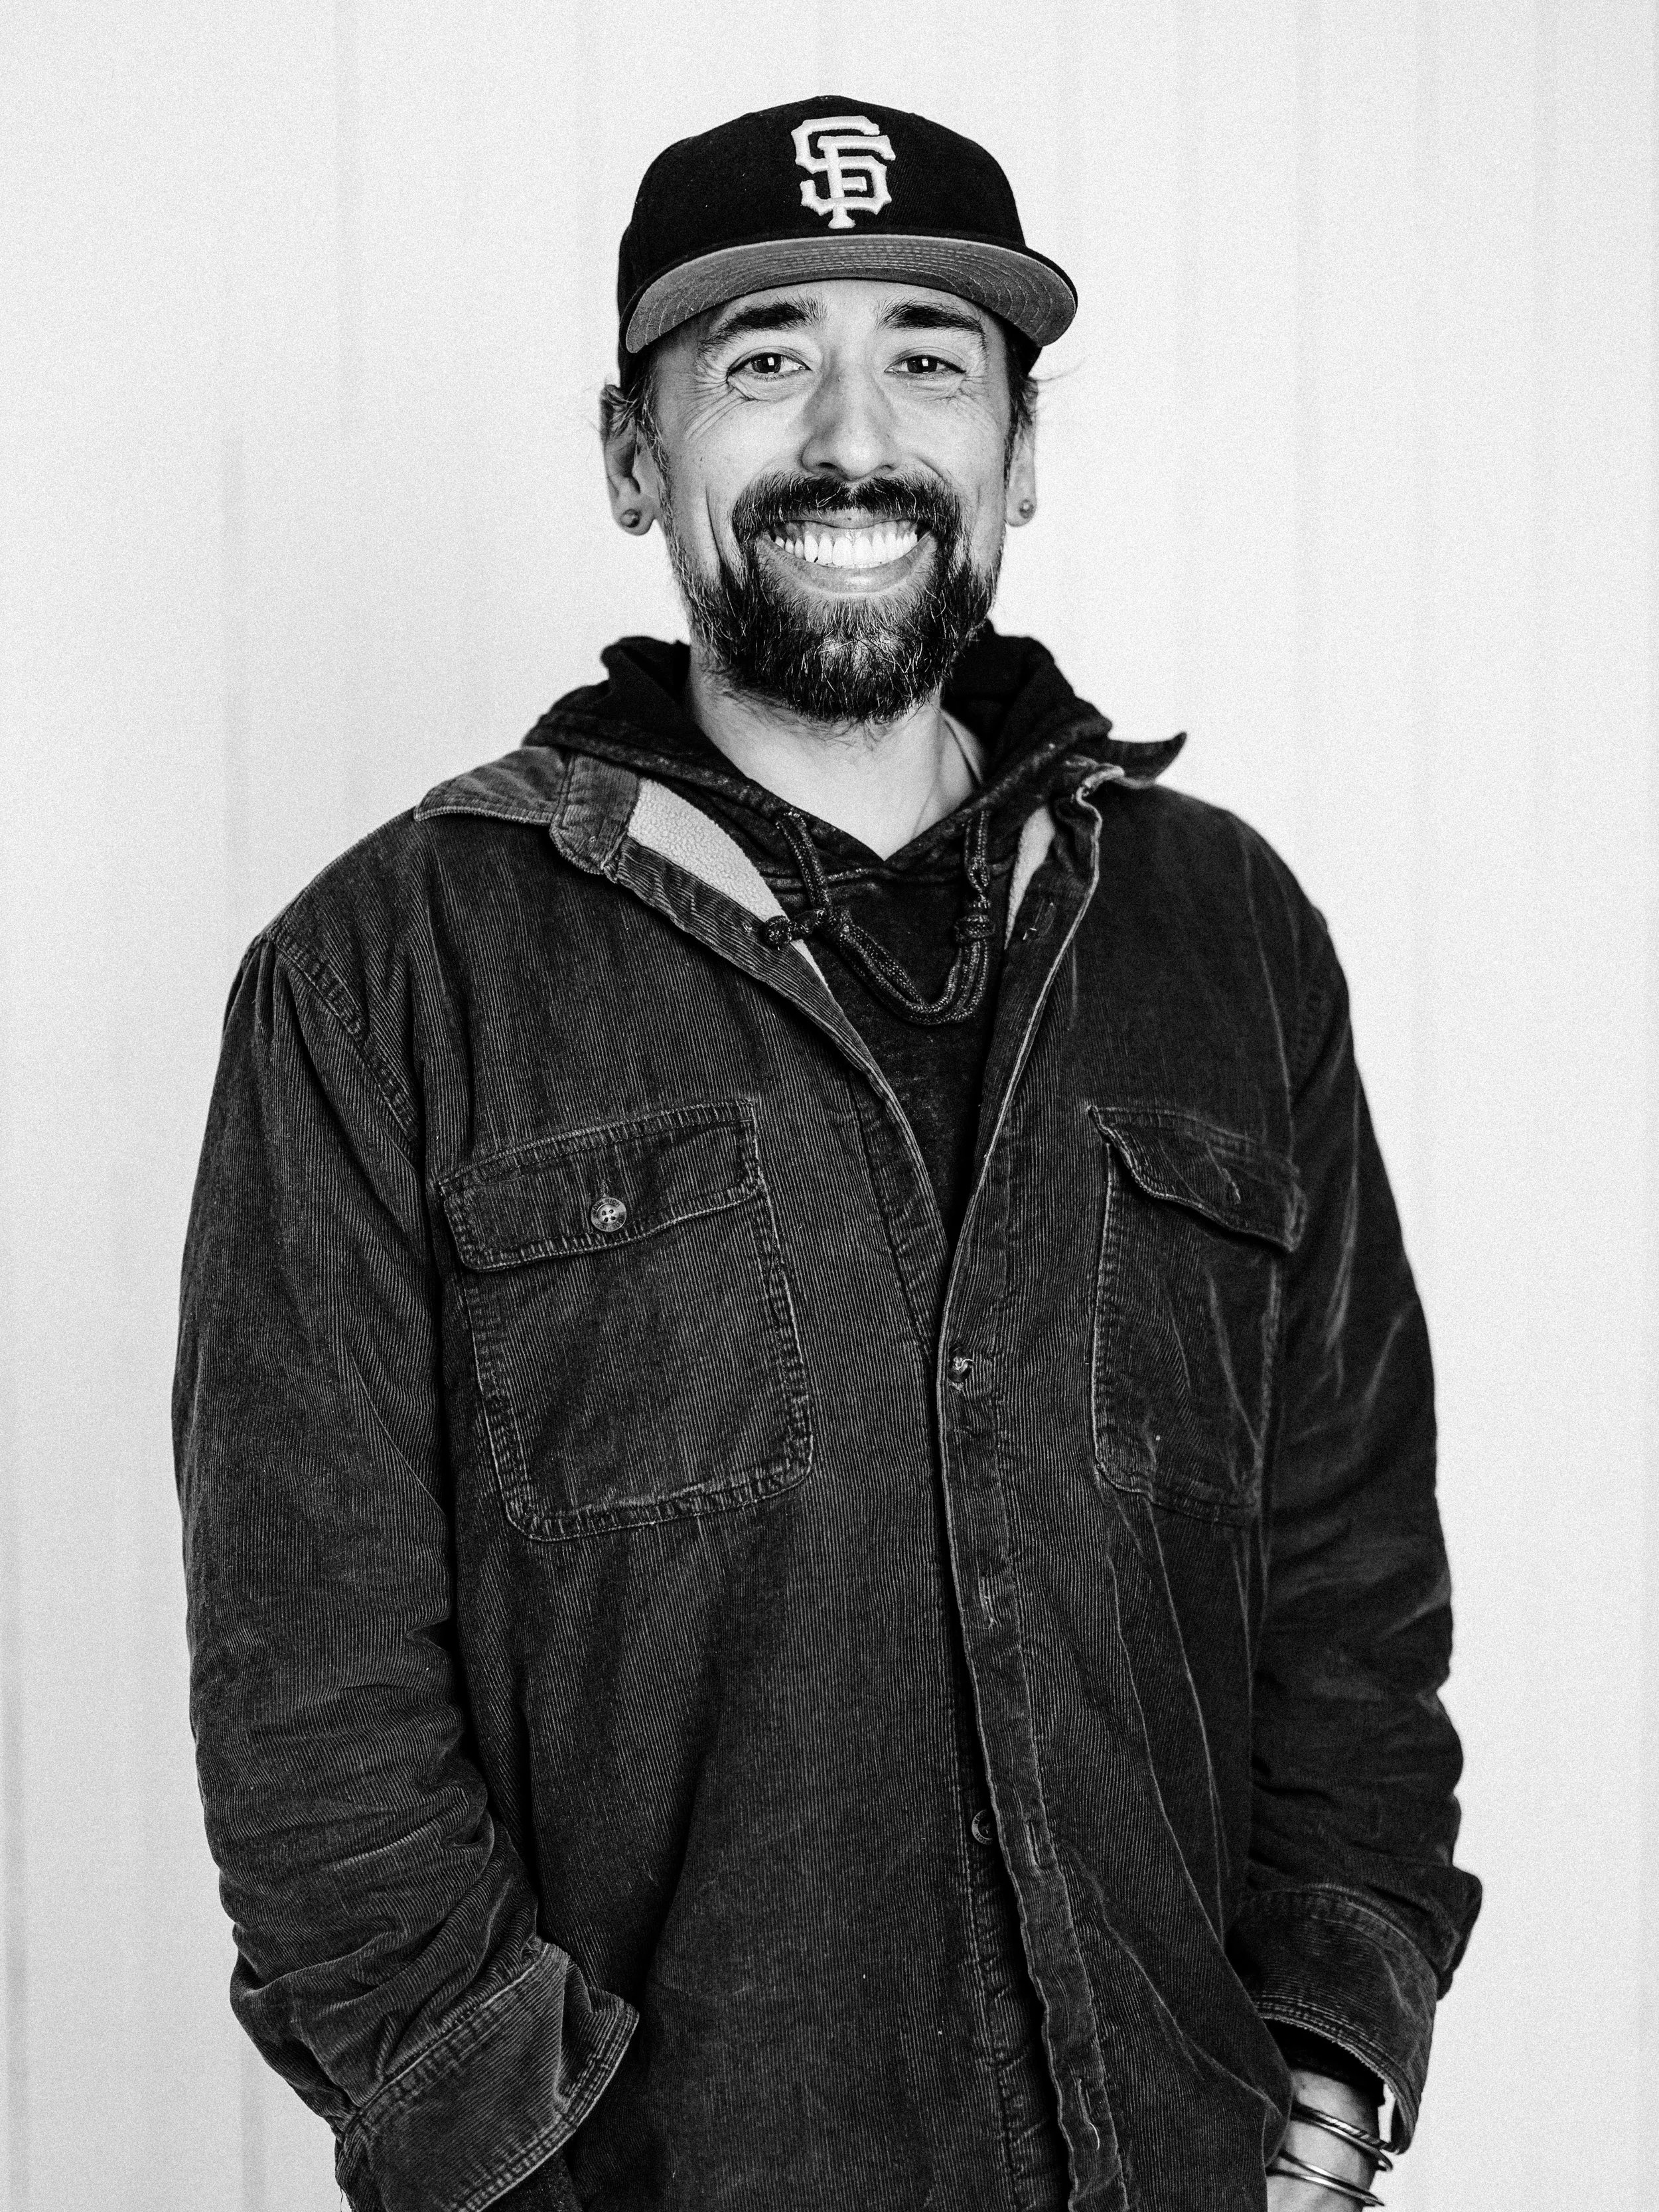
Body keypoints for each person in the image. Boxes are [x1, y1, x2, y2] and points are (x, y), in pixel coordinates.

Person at [175, 96, 1480, 2212]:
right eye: (764, 359)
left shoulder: (1219, 933)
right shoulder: (383, 976)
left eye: (929, 360)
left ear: (1018, 454)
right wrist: (510, 2159)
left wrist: (1329, 2034)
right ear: (633, 455)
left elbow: (1344, 1582)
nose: (851, 438)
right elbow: (306, 1692)